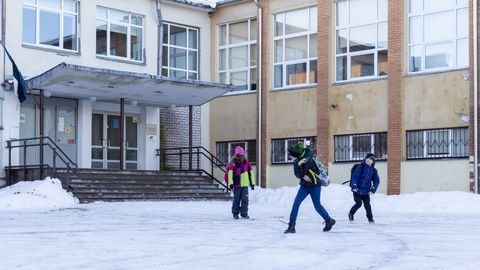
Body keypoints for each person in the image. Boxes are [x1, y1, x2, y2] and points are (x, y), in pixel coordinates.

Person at [284, 141, 335, 233]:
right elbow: (298, 174)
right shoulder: (297, 161)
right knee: (296, 204)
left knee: (317, 206)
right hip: (304, 186)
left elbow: (310, 172)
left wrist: (302, 171)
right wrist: (300, 167)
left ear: (296, 154)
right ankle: (291, 226)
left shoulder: (309, 159)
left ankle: (329, 220)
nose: (291, 157)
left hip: (315, 185)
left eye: (292, 155)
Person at [348, 153, 380, 223]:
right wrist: (354, 186)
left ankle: (370, 218)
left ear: (373, 162)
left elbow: (376, 180)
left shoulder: (374, 170)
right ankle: (351, 214)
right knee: (358, 203)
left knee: (367, 205)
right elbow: (355, 176)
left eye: (371, 160)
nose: (369, 161)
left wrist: (373, 189)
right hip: (357, 190)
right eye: (368, 159)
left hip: (366, 191)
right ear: (365, 159)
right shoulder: (360, 167)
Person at [226, 146, 255, 219]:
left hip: (245, 185)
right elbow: (230, 174)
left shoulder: (246, 162)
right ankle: (235, 213)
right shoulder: (233, 163)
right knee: (236, 199)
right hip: (236, 185)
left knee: (245, 199)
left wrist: (252, 183)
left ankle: (244, 213)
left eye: (243, 154)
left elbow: (250, 172)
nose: (242, 155)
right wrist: (231, 184)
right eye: (240, 154)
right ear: (237, 154)